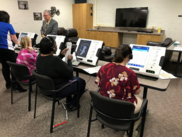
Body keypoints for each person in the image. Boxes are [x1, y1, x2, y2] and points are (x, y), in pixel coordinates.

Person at [36, 36, 86, 111]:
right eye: (55, 44)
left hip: (46, 89)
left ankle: (69, 100)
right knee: (81, 82)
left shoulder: (39, 57)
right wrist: (69, 61)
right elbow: (69, 73)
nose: (56, 46)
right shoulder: (55, 60)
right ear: (52, 48)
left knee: (73, 79)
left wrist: (61, 55)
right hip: (58, 89)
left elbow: (51, 64)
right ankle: (73, 104)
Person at [95, 44, 143, 114]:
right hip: (121, 108)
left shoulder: (104, 67)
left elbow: (98, 83)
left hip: (104, 104)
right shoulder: (130, 73)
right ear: (129, 56)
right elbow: (137, 92)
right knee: (142, 101)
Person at [0, 11, 26, 92]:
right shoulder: (8, 26)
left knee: (5, 66)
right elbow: (15, 39)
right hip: (8, 49)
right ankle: (16, 84)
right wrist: (22, 44)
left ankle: (8, 84)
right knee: (14, 67)